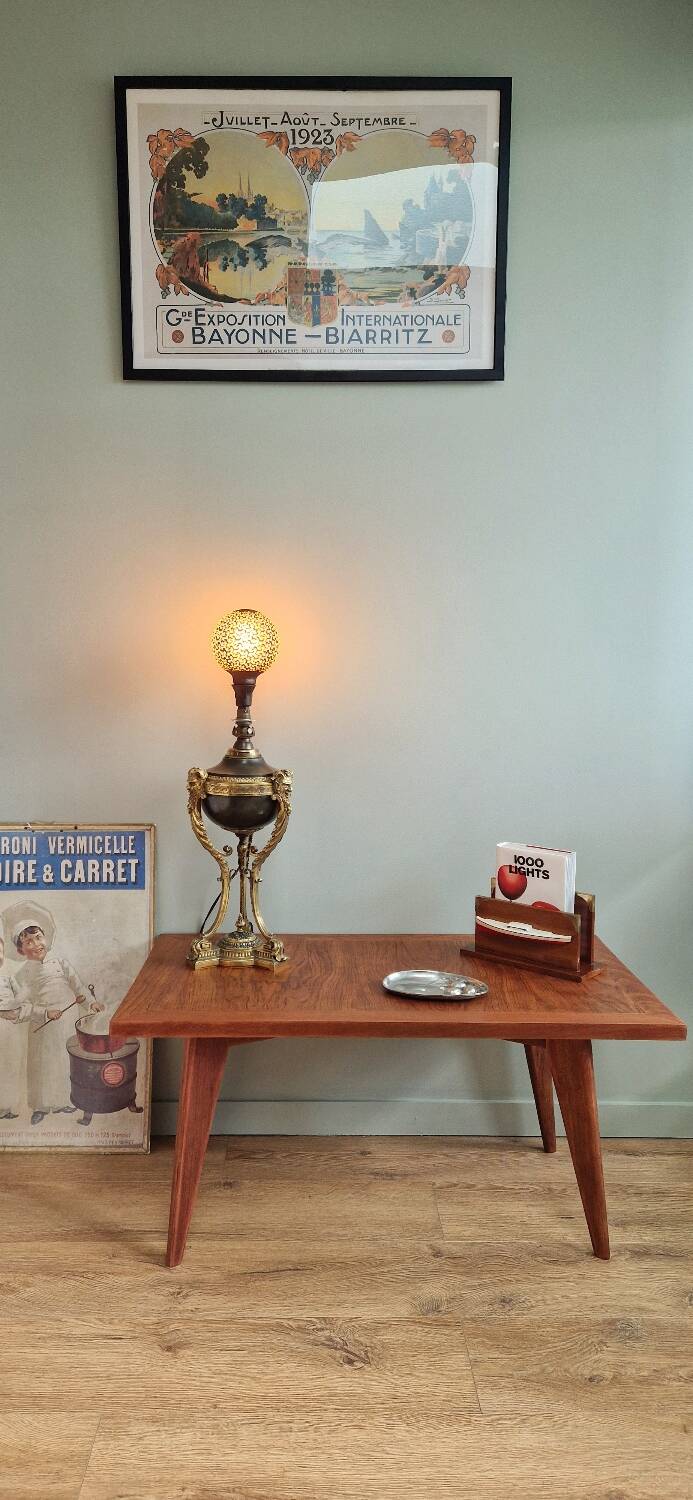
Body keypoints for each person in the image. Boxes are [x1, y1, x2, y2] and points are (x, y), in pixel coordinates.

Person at [1, 902, 104, 1126]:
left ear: (45, 938)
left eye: (38, 937)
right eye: (28, 941)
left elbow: (79, 987)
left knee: (64, 1061)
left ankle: (63, 1101)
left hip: (67, 1022)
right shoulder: (23, 974)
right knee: (42, 1064)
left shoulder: (61, 963)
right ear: (20, 950)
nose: (36, 944)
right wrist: (44, 1012)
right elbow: (21, 1004)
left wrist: (92, 1003)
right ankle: (40, 1107)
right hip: (43, 1026)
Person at [0, 935, 31, 1119]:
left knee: (10, 1064)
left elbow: (25, 1001)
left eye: (0, 951)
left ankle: (7, 1105)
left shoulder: (8, 978)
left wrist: (18, 1011)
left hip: (9, 1029)